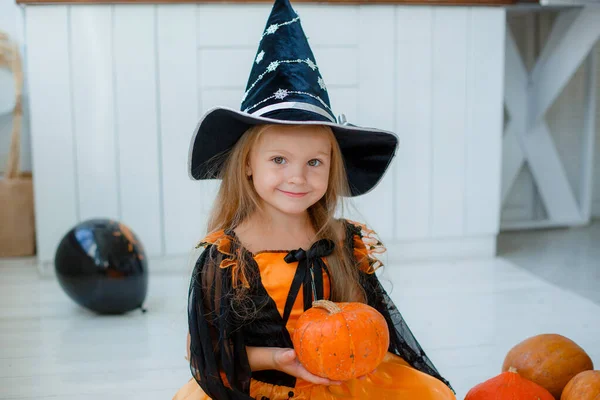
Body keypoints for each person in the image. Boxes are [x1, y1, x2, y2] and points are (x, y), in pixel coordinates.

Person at [173, 0, 455, 398]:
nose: (298, 177)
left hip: (346, 383)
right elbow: (205, 350)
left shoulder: (343, 241)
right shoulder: (229, 256)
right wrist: (278, 359)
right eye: (278, 159)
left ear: (331, 167)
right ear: (248, 165)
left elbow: (372, 329)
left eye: (314, 162)